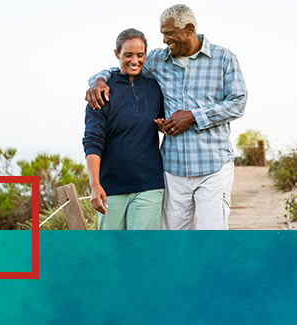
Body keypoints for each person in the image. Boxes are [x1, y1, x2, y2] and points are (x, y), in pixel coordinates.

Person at [85, 4, 247, 230]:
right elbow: (123, 67)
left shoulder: (224, 59)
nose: (164, 40)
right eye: (162, 34)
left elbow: (238, 102)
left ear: (189, 29)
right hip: (173, 168)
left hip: (213, 165)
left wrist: (193, 116)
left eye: (169, 34)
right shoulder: (157, 61)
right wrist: (98, 80)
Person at [83, 28, 164, 230]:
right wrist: (95, 185)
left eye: (140, 55)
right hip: (111, 188)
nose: (134, 60)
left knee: (141, 252)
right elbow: (92, 141)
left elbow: (165, 119)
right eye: (128, 55)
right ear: (117, 54)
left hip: (150, 186)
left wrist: (165, 125)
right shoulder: (101, 92)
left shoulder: (155, 87)